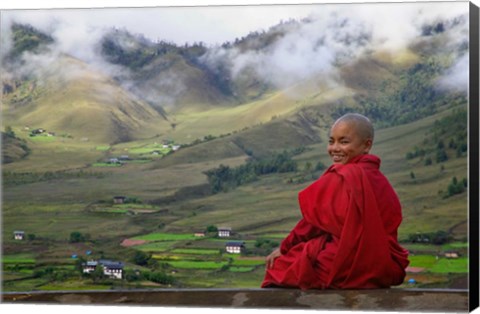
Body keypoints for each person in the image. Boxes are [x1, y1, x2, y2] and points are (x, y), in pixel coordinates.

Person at [261, 113, 409, 289]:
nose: (335, 148)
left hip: (344, 266)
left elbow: (311, 224)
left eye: (344, 142)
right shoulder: (382, 182)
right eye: (331, 141)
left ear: (366, 145)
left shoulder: (342, 176)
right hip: (382, 267)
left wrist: (284, 248)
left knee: (278, 268)